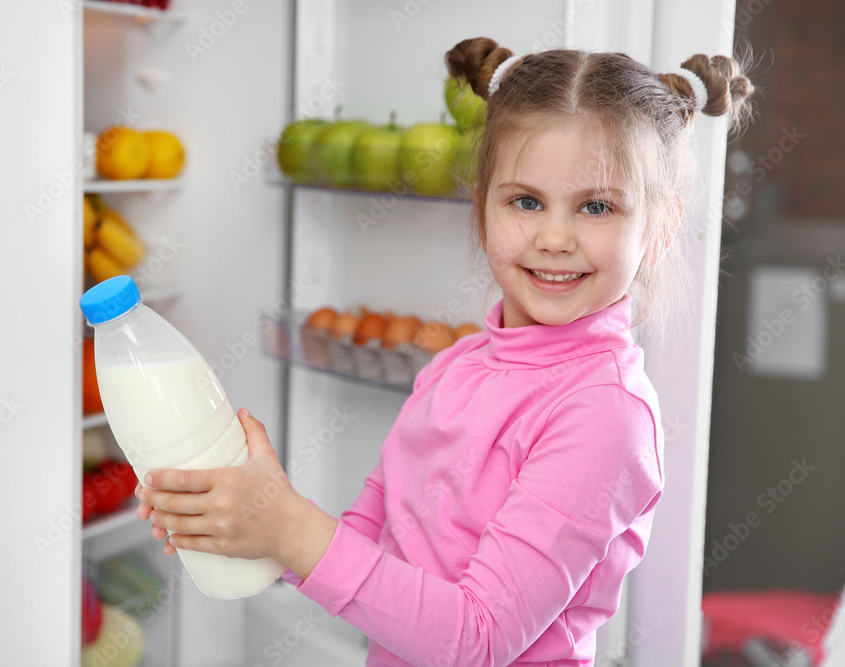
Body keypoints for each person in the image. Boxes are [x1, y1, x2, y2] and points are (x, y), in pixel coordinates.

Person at [134, 36, 756, 665]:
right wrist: (248, 516)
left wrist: (291, 530)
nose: (555, 236)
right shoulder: (454, 366)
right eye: (526, 200)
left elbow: (476, 639)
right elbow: (362, 552)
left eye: (596, 206)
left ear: (663, 225)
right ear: (483, 202)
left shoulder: (604, 415)